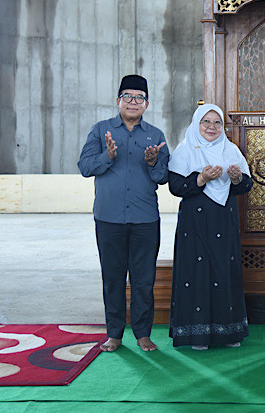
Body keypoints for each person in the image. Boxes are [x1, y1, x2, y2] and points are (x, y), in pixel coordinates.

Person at [78, 74, 168, 353]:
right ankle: (114, 335)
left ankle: (143, 334)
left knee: (144, 280)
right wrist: (108, 156)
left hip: (145, 220)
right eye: (127, 97)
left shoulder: (156, 136)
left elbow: (164, 176)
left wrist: (153, 162)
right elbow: (85, 167)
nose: (133, 102)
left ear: (147, 104)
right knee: (113, 278)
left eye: (139, 98)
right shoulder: (100, 130)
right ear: (118, 101)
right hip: (109, 219)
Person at [167, 104, 253, 350]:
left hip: (223, 221)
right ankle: (197, 334)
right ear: (196, 124)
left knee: (223, 270)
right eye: (206, 122)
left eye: (217, 123)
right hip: (194, 222)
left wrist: (237, 178)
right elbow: (175, 187)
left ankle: (229, 332)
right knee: (197, 272)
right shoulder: (185, 150)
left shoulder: (231, 150)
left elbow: (246, 186)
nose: (212, 127)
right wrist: (202, 178)